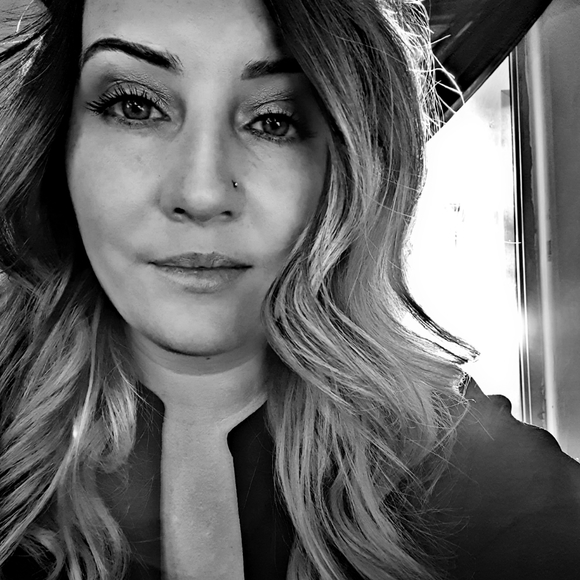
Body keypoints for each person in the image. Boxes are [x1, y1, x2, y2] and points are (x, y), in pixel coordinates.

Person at [0, 0, 579, 579]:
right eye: (135, 106)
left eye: (275, 121)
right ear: (58, 140)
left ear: (346, 165)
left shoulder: (455, 458)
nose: (202, 194)